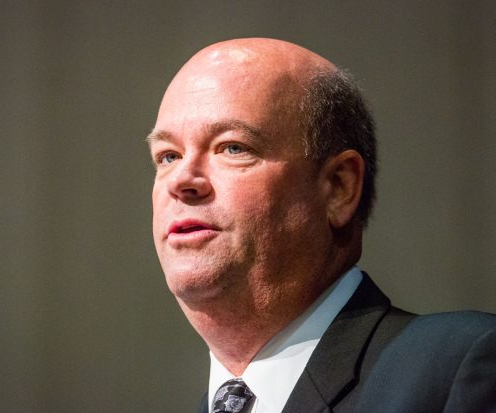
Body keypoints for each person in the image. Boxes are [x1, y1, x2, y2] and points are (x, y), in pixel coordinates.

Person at [147, 38, 496, 413]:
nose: (181, 179)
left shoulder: (457, 366)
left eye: (233, 147)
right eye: (168, 155)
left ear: (338, 188)